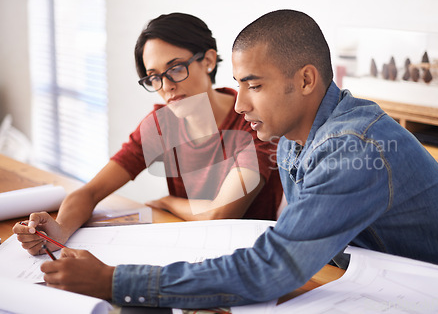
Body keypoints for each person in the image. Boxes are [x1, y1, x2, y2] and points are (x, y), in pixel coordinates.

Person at [15, 10, 438, 308]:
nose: (239, 104)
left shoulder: (349, 146)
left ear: (306, 79)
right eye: (239, 86)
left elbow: (270, 267)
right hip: (356, 278)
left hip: (432, 297)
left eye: (252, 85)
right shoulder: (296, 132)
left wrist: (113, 281)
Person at [13, 13, 283, 257]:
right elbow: (89, 192)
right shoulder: (161, 125)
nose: (166, 87)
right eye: (154, 77)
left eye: (176, 68)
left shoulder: (253, 121)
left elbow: (220, 214)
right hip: (194, 249)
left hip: (254, 257)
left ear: (208, 60)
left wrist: (169, 202)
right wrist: (60, 230)